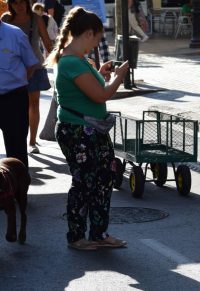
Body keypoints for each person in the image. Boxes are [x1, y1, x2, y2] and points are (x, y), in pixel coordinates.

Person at [45, 7, 130, 250]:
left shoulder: (78, 59)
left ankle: (99, 233)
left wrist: (101, 72)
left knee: (103, 180)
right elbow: (101, 94)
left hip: (92, 130)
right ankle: (77, 236)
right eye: (98, 38)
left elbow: (93, 87)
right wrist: (119, 76)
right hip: (79, 131)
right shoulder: (72, 62)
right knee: (84, 183)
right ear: (88, 34)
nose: (98, 43)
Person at [2, 0, 53, 154]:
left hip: (34, 66)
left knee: (34, 103)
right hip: (12, 71)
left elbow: (47, 43)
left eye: (22, 2)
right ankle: (19, 140)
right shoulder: (5, 19)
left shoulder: (36, 19)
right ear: (10, 4)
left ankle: (32, 141)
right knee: (18, 109)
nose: (20, 6)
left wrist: (56, 60)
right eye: (15, 2)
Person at [0, 18, 38, 168]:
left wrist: (16, 81)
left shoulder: (15, 34)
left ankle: (18, 190)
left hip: (13, 99)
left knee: (16, 152)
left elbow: (31, 64)